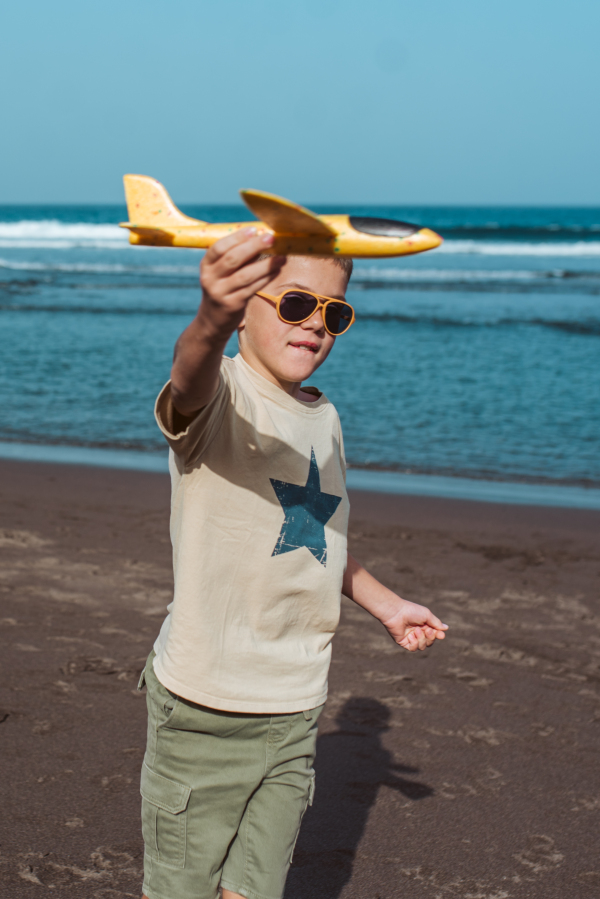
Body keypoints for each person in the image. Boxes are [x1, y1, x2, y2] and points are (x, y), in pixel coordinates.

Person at [138, 227, 448, 899]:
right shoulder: (221, 397)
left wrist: (387, 603)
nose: (316, 324)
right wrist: (208, 320)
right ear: (246, 301)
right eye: (295, 304)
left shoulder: (324, 416)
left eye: (334, 313)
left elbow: (316, 534)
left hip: (296, 705)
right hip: (205, 705)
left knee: (254, 887)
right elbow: (188, 375)